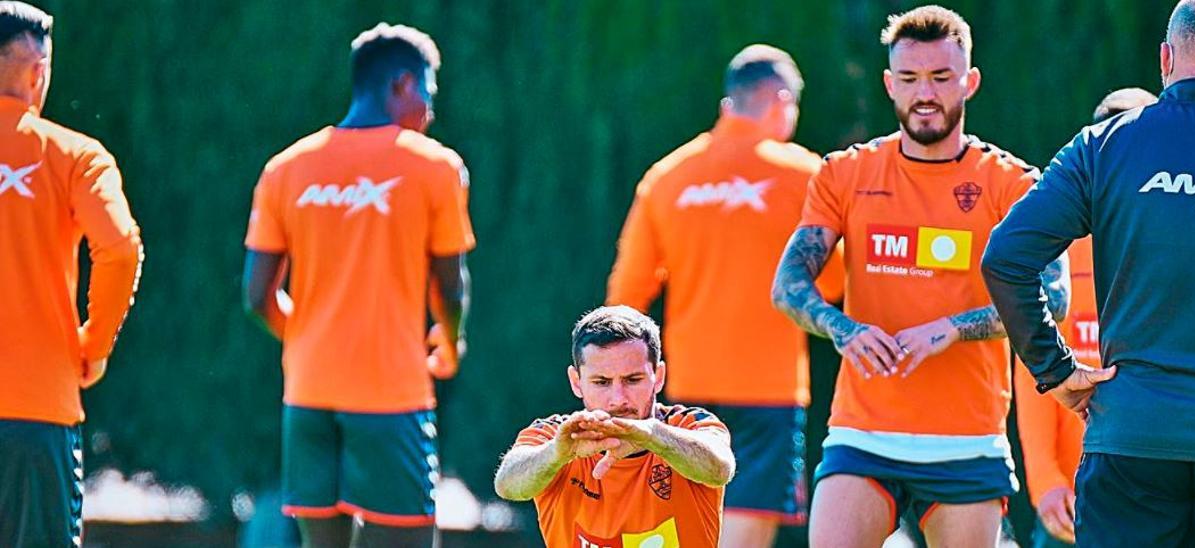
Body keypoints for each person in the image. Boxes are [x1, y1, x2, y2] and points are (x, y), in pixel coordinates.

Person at [983, 1, 1195, 545]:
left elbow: (1005, 258)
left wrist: (1057, 372)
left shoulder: (1105, 144)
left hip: (1131, 439)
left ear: (1165, 59)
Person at [770, 6, 1068, 547]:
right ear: (889, 84)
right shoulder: (847, 172)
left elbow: (1056, 297)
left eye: (940, 77)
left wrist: (952, 328)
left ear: (970, 82)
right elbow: (788, 284)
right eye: (909, 79)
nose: (924, 93)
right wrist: (845, 330)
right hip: (862, 433)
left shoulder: (1013, 183)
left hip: (967, 441)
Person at [242, 22, 472, 548]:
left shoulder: (285, 169)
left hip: (307, 397)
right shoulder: (435, 167)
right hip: (392, 395)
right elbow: (451, 287)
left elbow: (256, 297)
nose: (431, 112)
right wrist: (451, 342)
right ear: (402, 85)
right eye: (428, 93)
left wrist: (306, 338)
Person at [606, 44, 842, 547]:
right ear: (781, 101)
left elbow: (626, 297)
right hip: (770, 389)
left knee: (689, 529)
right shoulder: (807, 176)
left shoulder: (668, 177)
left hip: (689, 387)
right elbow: (836, 283)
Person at [0, 3, 144, 546]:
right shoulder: (76, 156)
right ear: (40, 71)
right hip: (36, 411)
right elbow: (121, 247)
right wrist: (93, 343)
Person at [1012, 87, 1157, 548]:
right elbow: (1032, 367)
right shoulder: (1059, 247)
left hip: (1160, 487)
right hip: (1074, 496)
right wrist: (1045, 479)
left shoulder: (1179, 249)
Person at [494, 306, 735, 548]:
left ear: (658, 376)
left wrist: (652, 436)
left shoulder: (688, 425)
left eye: (633, 380)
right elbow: (507, 484)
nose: (618, 399)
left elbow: (720, 468)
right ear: (576, 382)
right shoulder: (559, 436)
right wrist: (557, 454)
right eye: (601, 382)